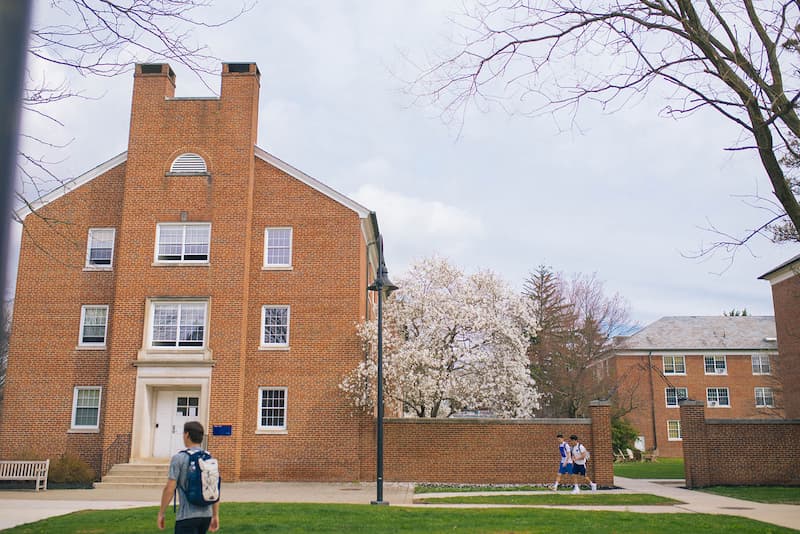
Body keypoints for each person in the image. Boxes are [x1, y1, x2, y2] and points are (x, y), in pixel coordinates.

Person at [158, 422, 220, 533]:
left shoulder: (179, 458)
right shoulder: (209, 458)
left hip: (186, 516)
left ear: (187, 435)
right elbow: (214, 488)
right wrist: (215, 515)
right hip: (206, 515)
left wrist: (161, 512)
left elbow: (170, 488)